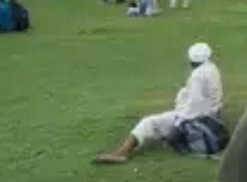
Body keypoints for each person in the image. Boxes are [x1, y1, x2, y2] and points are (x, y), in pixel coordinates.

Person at [95, 43, 225, 163]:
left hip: (198, 118)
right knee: (179, 99)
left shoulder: (198, 76)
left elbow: (195, 104)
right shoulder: (212, 68)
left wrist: (179, 123)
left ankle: (122, 153)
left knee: (148, 122)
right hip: (211, 114)